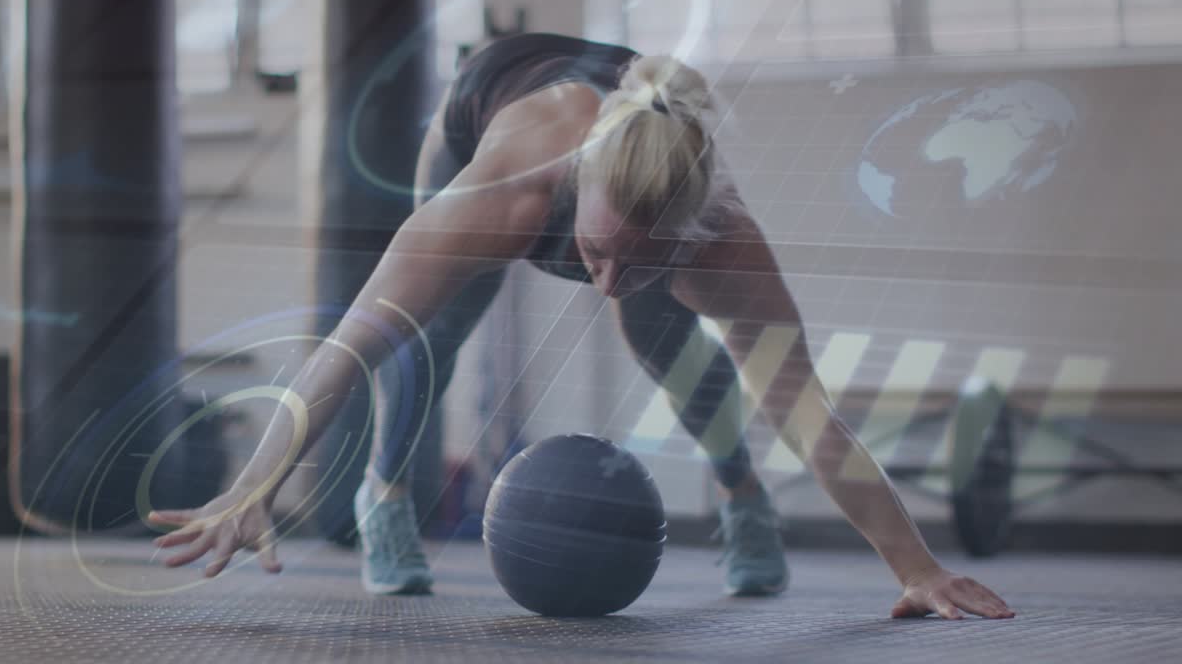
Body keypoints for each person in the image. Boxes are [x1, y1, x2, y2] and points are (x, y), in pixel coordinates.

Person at [149, 33, 1014, 620]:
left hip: (637, 155)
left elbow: (809, 414)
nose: (603, 285)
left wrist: (916, 568)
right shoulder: (500, 196)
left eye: (637, 263)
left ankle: (742, 498)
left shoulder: (722, 240)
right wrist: (257, 483)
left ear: (690, 232)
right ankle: (387, 501)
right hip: (484, 107)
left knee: (663, 343)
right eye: (596, 254)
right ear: (577, 198)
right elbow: (348, 345)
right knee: (431, 339)